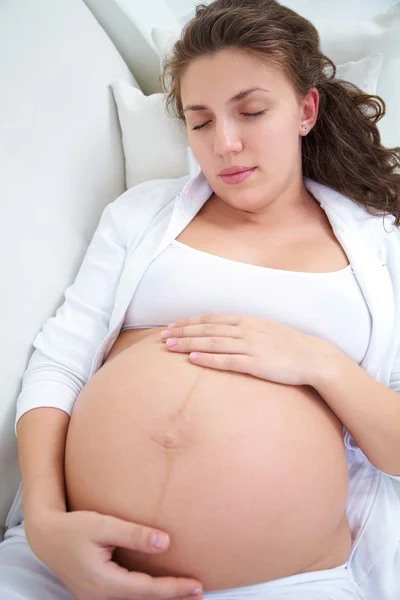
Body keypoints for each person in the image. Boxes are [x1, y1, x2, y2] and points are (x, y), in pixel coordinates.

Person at [1, 0, 400, 598]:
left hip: (286, 581)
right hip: (65, 564)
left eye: (251, 111)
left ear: (305, 109)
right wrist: (46, 525)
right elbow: (59, 363)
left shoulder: (380, 243)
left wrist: (318, 361)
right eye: (201, 120)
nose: (227, 144)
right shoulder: (140, 214)